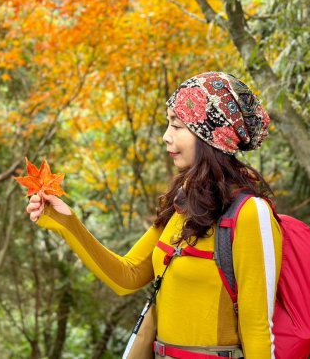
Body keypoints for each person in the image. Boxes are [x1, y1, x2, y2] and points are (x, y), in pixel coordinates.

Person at [26, 71, 282, 359]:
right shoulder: (183, 204)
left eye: (177, 126)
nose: (166, 136)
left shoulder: (250, 213)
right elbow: (127, 275)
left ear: (210, 134)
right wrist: (66, 222)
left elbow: (258, 330)